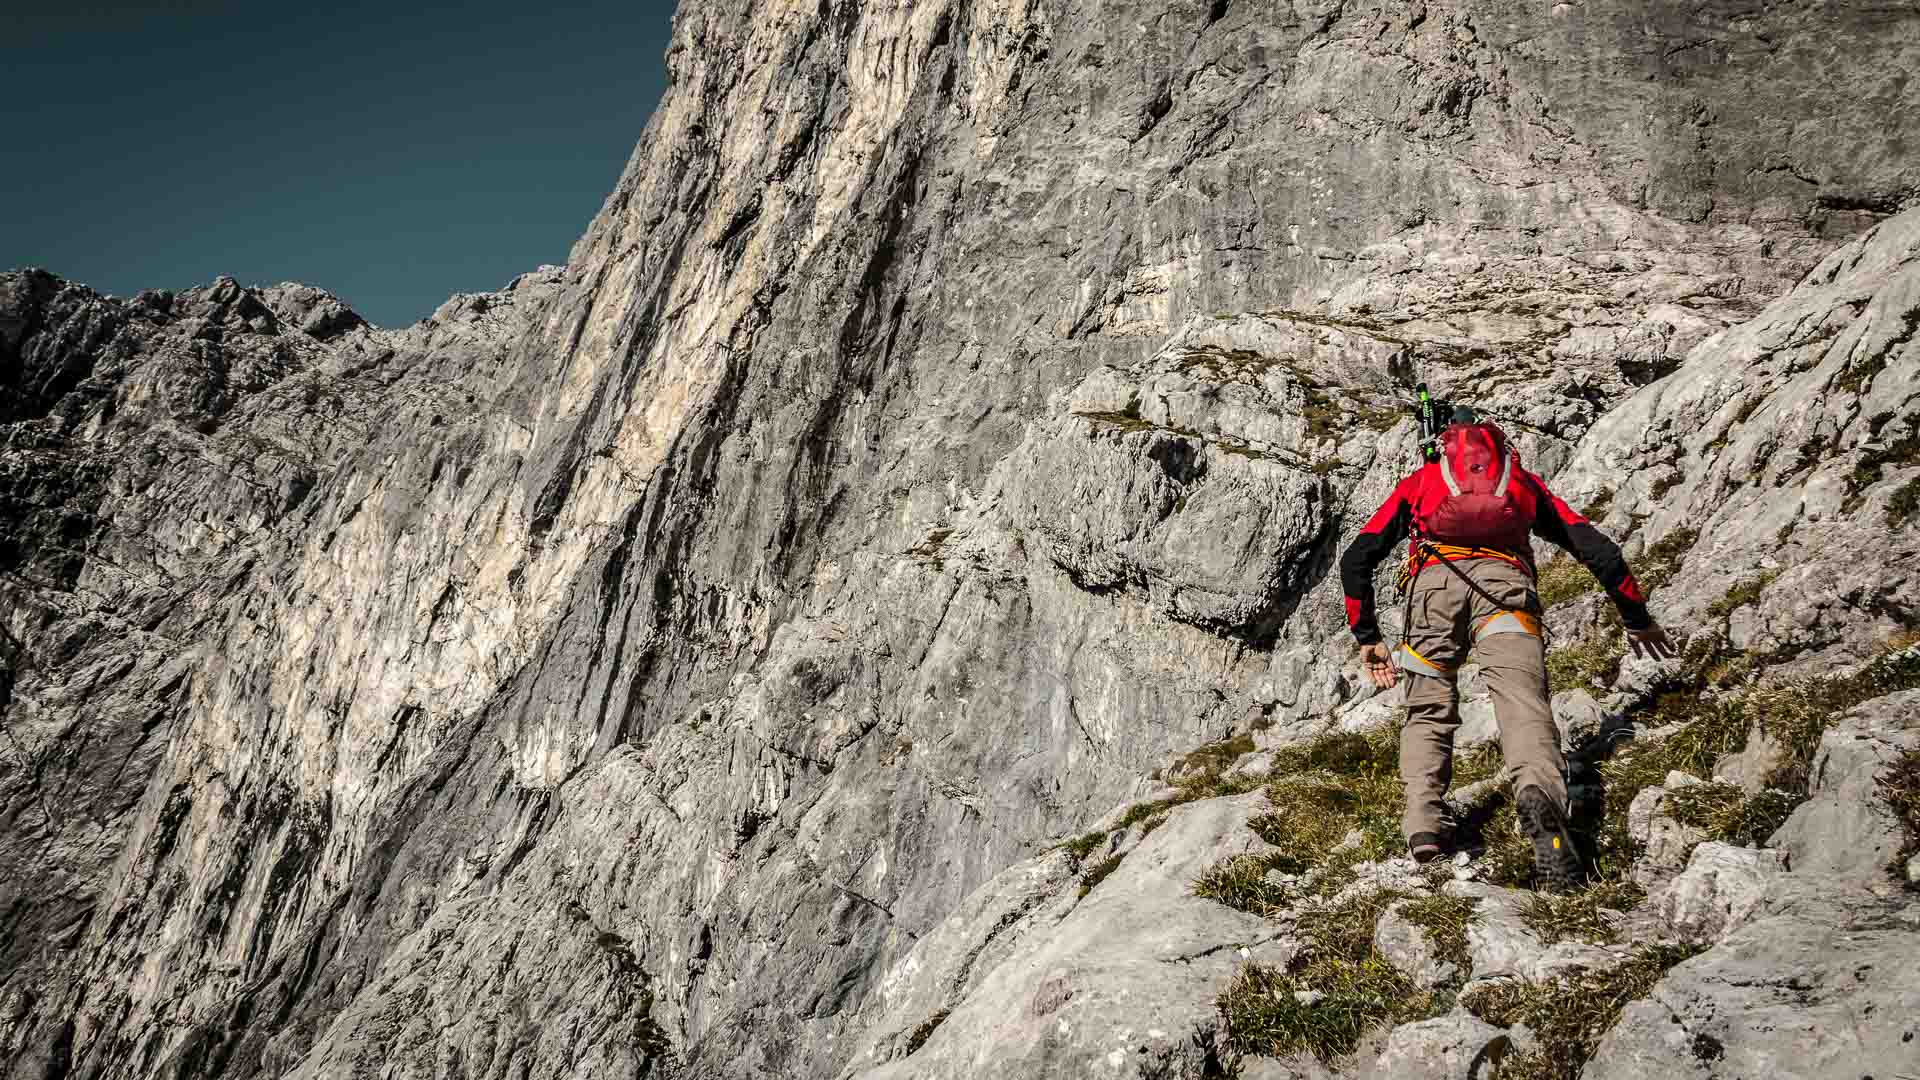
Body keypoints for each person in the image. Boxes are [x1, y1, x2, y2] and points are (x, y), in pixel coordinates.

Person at [1338, 411, 1675, 891]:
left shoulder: (1422, 482)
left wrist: (1367, 636)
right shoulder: (1522, 485)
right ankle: (1541, 796)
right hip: (1506, 589)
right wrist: (1636, 618)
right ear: (1500, 450)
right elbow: (1597, 549)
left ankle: (1424, 827)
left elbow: (1357, 557)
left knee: (1427, 711)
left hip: (1433, 589)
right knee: (1522, 704)